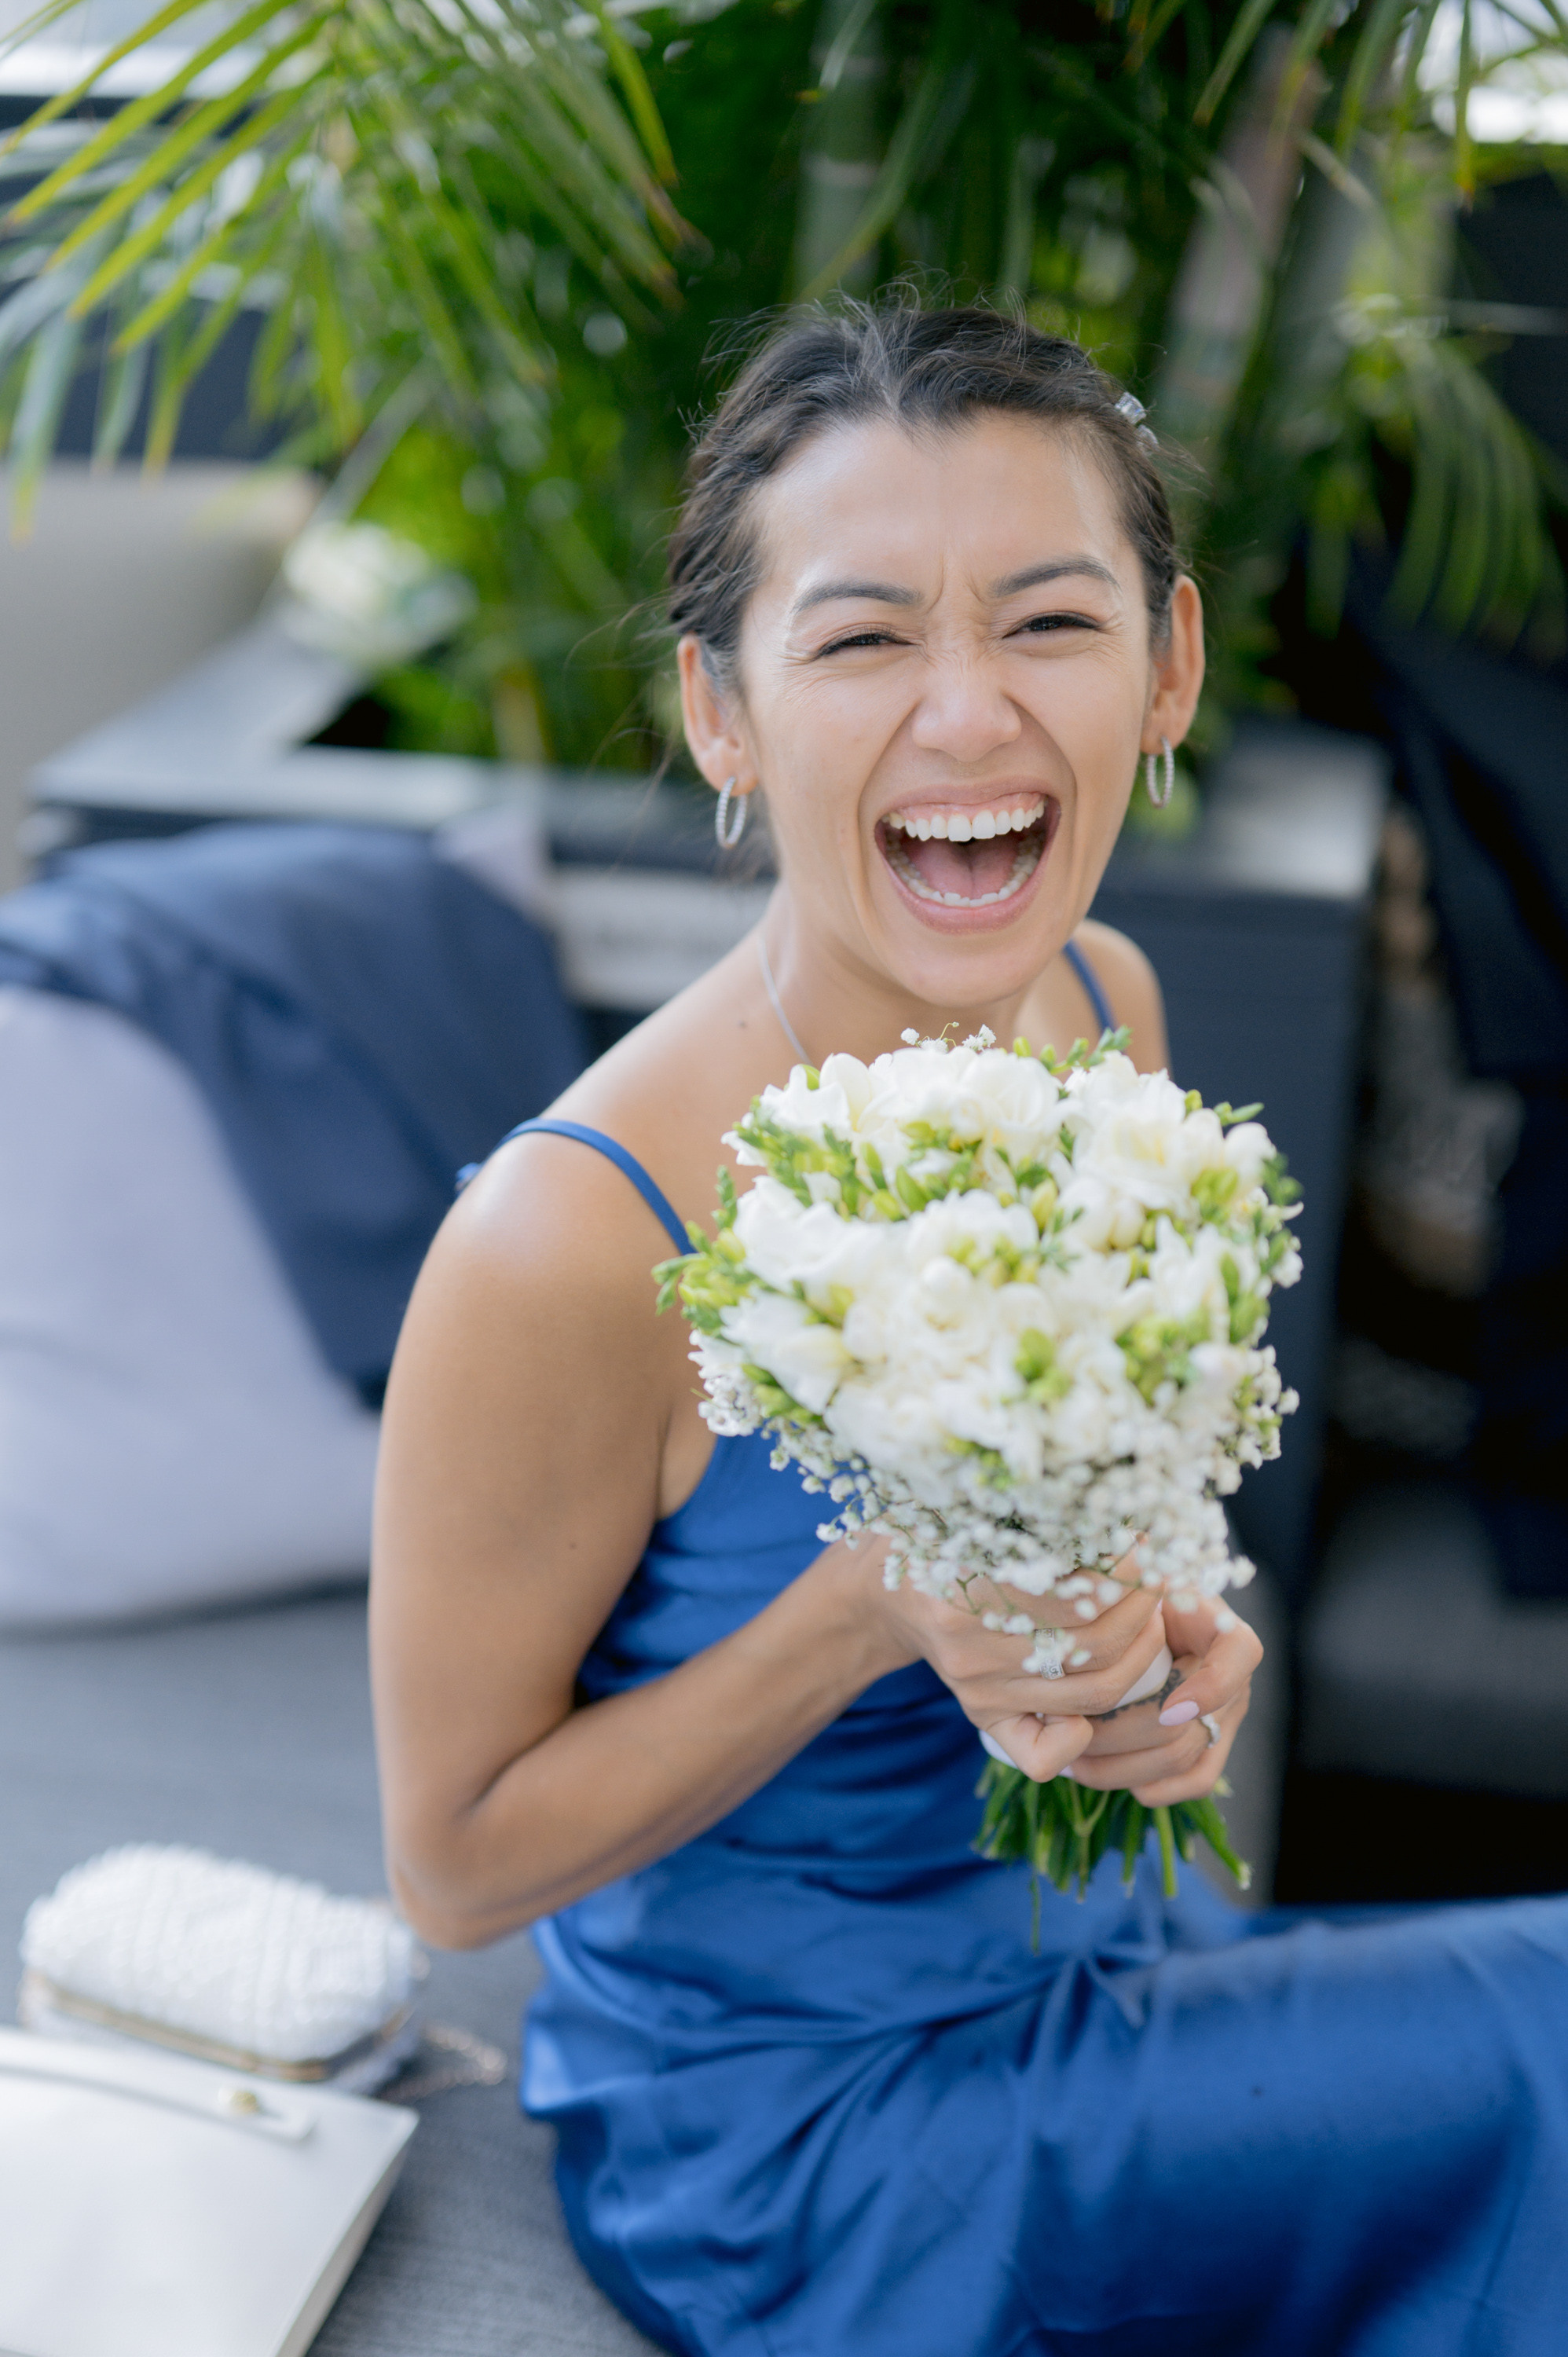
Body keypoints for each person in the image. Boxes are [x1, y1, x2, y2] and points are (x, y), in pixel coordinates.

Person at [370, 305, 1568, 2357]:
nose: (964, 716)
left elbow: (1115, 1529)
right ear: (718, 714)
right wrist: (862, 1608)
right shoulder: (562, 1241)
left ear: (1169, 664)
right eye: (856, 641)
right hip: (809, 2128)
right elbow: (458, 1868)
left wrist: (1179, 1661)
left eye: (1046, 623)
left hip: (1121, 1960)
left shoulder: (1100, 1002)